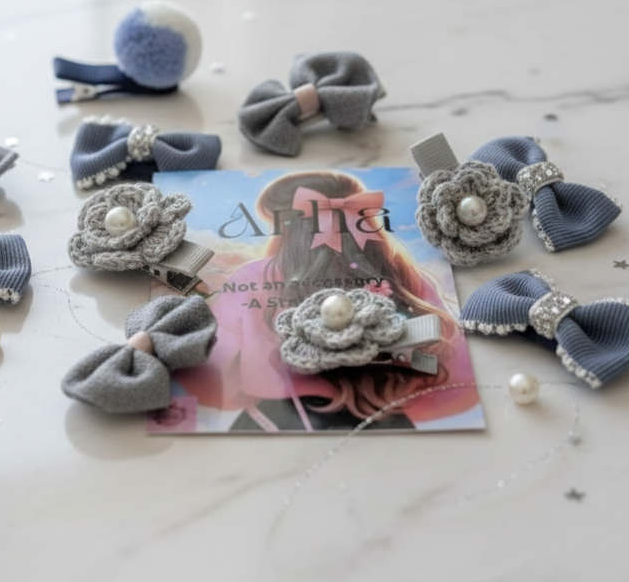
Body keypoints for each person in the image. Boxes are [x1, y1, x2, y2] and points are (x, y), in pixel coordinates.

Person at [175, 170, 479, 431]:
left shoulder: (251, 278)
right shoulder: (406, 279)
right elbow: (456, 376)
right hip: (387, 421)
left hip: (273, 423)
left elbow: (211, 374)